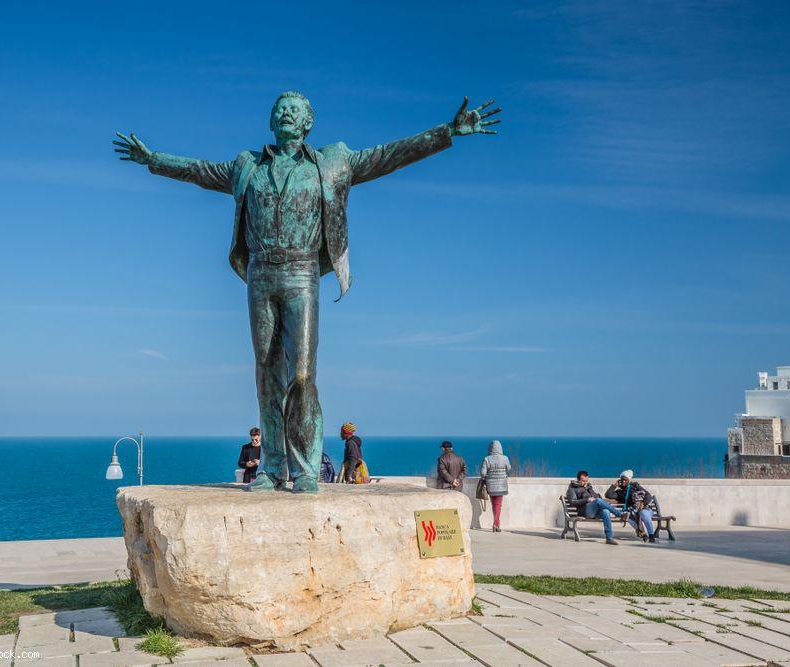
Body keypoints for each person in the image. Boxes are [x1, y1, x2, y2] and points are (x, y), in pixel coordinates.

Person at [113, 92, 501, 495]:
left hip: (302, 271)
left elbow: (389, 155)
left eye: (293, 110)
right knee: (266, 373)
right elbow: (198, 170)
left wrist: (447, 131)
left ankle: (304, 468)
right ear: (271, 120)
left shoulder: (332, 162)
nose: (285, 113)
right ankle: (271, 467)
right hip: (260, 272)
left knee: (301, 374)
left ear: (307, 124)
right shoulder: (248, 166)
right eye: (279, 108)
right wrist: (153, 159)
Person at [566, 470, 629, 545]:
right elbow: (573, 502)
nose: (585, 483)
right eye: (583, 481)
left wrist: (593, 493)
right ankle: (620, 514)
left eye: (586, 481)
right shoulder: (572, 489)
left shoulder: (588, 487)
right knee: (598, 501)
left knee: (605, 511)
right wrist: (587, 499)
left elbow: (597, 497)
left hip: (594, 511)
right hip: (584, 511)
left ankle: (609, 538)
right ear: (578, 479)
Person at [605, 469, 657, 543]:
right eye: (621, 479)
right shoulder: (620, 492)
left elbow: (647, 495)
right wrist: (614, 485)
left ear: (629, 480)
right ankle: (642, 534)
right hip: (632, 511)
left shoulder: (635, 486)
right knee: (627, 516)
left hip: (645, 508)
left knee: (644, 513)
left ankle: (651, 536)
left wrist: (643, 503)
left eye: (625, 479)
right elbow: (608, 495)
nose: (623, 481)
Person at [480, 440, 511, 532]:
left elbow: (483, 473)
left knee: (494, 504)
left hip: (490, 486)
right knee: (498, 505)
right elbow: (509, 468)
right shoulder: (505, 458)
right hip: (502, 485)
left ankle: (496, 523)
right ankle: (496, 524)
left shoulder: (487, 459)